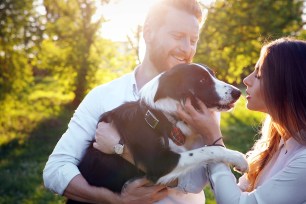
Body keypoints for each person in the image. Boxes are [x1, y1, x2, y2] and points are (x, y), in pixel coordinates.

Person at [43, 0, 211, 203]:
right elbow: (56, 169)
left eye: (193, 40)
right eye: (177, 37)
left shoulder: (202, 101)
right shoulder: (103, 96)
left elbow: (198, 179)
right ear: (148, 32)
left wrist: (121, 147)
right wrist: (115, 200)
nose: (187, 49)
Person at [176, 37, 306, 203]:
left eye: (259, 75)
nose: (246, 80)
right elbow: (231, 194)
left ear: (288, 85)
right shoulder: (277, 144)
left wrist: (213, 140)